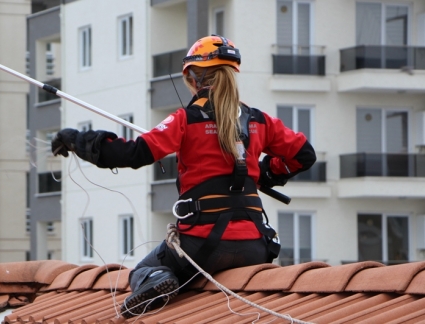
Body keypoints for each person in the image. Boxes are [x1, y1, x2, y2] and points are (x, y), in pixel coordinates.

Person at [51, 35, 316, 318]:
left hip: (203, 246)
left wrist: (76, 140)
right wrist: (266, 173)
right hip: (256, 245)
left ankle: (159, 282)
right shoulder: (259, 121)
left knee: (143, 270)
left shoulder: (185, 120)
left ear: (193, 78)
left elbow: (132, 153)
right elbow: (303, 155)